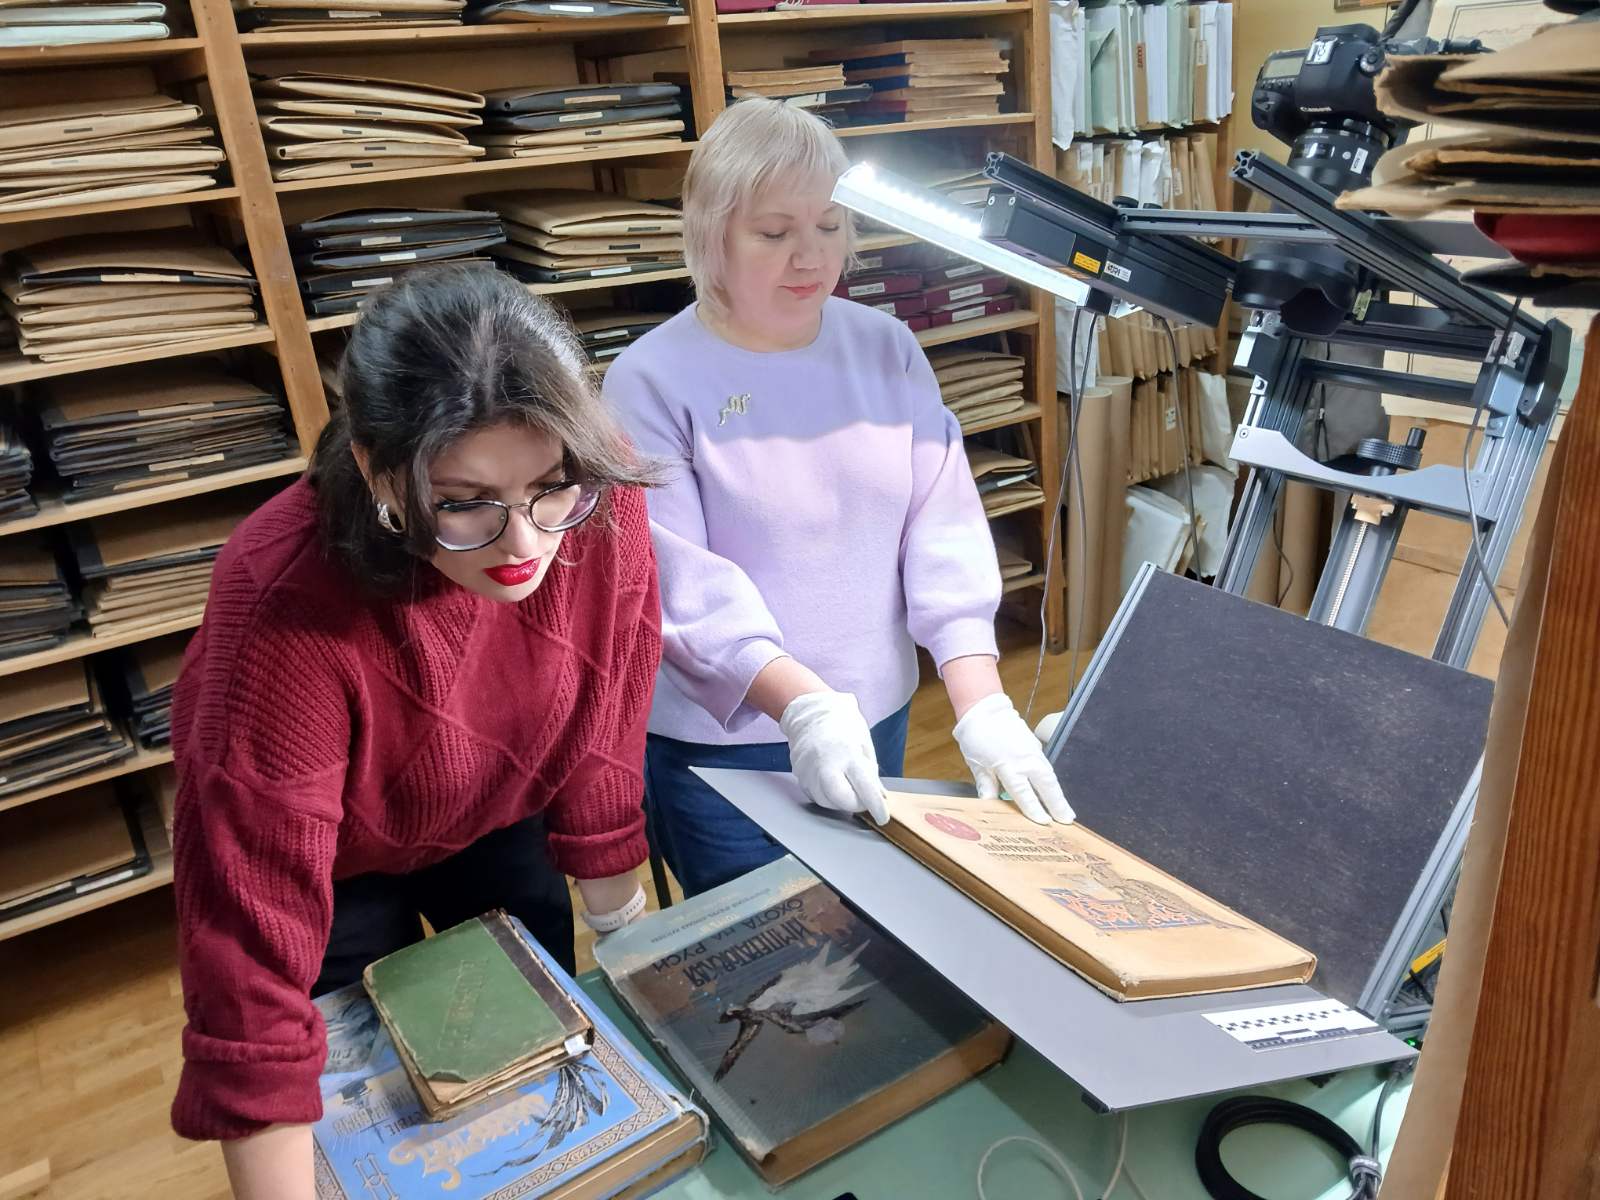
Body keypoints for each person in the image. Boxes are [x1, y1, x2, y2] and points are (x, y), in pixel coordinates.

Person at [168, 264, 662, 1198]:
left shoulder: (595, 489)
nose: (525, 544)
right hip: (335, 867)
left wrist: (627, 939)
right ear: (375, 469)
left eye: (548, 488)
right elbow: (249, 956)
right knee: (374, 1110)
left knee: (532, 1080)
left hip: (502, 814)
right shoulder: (280, 598)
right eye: (464, 501)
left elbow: (608, 710)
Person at [604, 98, 1073, 900]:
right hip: (729, 742)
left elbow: (941, 525)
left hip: (874, 710)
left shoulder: (885, 348)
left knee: (862, 924)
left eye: (829, 225)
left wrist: (981, 703)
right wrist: (805, 707)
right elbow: (680, 586)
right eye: (773, 232)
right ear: (712, 233)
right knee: (761, 947)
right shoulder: (650, 380)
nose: (809, 256)